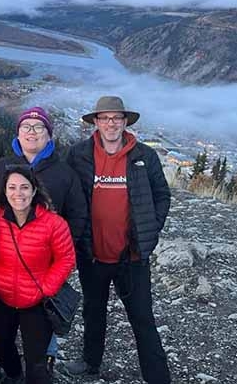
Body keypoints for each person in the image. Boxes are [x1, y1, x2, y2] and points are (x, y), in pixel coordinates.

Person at [64, 96, 171, 384]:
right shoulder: (79, 154)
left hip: (132, 257)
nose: (111, 123)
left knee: (142, 319)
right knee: (93, 311)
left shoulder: (144, 156)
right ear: (95, 123)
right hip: (93, 253)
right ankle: (91, 362)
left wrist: (153, 227)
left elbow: (162, 195)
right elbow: (68, 193)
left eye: (116, 118)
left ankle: (158, 377)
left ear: (125, 122)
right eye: (105, 118)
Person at [0, 106, 87, 375]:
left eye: (38, 127)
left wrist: (60, 252)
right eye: (26, 127)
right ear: (17, 133)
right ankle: (1, 356)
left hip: (45, 264)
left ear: (49, 135)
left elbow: (78, 215)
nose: (31, 132)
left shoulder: (64, 173)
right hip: (6, 266)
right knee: (1, 324)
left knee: (42, 322)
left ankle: (45, 359)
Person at [0, 166, 75, 383]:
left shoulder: (54, 223)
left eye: (24, 187)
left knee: (37, 362)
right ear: (4, 191)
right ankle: (14, 375)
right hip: (2, 296)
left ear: (34, 191)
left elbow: (66, 258)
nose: (18, 193)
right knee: (1, 346)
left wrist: (46, 288)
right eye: (12, 187)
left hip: (36, 301)